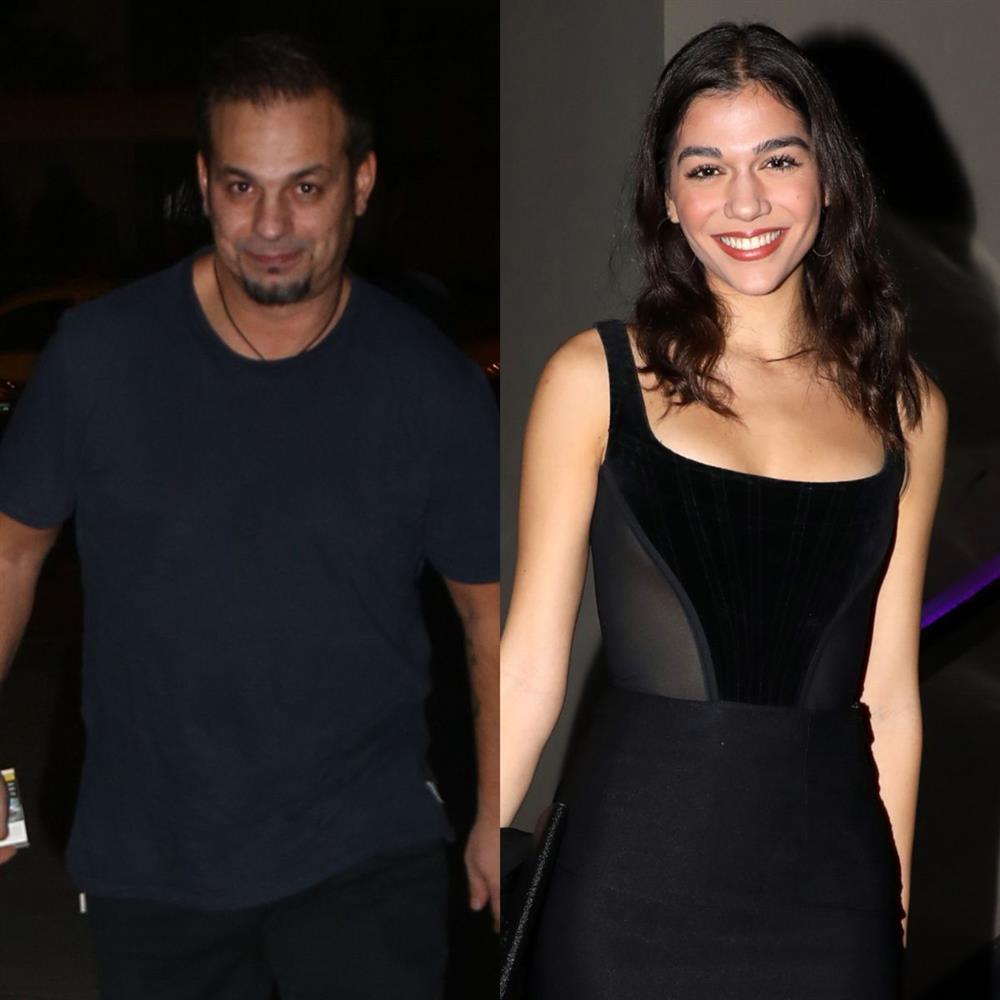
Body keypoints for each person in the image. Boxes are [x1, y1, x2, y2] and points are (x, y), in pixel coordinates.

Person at [0, 32, 499, 1000]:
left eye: (306, 187)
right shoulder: (99, 358)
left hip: (366, 851)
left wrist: (492, 809)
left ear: (360, 184)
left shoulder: (429, 387)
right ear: (203, 183)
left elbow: (488, 617)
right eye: (241, 187)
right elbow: (12, 555)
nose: (271, 223)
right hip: (154, 861)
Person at [500, 22, 945, 1000]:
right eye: (706, 168)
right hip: (629, 890)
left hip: (832, 898)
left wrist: (896, 915)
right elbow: (527, 673)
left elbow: (890, 698)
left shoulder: (904, 405)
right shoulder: (595, 378)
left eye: (777, 159)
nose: (745, 202)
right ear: (667, 196)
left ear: (827, 177)